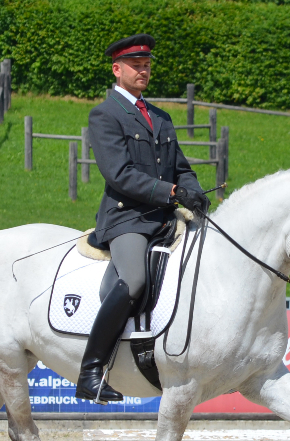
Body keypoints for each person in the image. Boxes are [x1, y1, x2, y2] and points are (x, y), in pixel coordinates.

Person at [75, 34, 210, 403]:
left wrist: (191, 190)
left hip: (167, 218)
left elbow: (180, 168)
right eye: (136, 65)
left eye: (147, 65)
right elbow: (119, 174)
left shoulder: (161, 118)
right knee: (133, 279)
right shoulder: (105, 115)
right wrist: (170, 193)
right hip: (128, 219)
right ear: (117, 70)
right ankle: (90, 371)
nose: (143, 70)